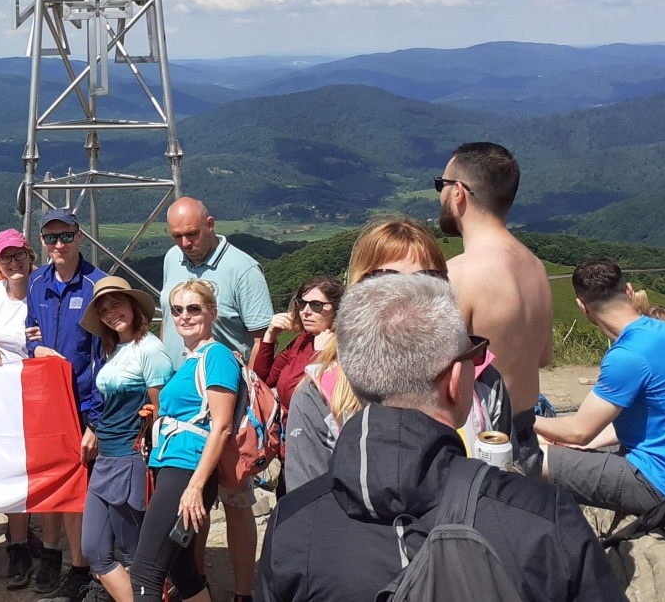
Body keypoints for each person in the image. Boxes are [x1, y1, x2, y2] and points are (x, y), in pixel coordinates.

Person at [257, 274, 625, 602]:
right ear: (454, 381)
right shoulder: (543, 518)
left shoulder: (291, 524)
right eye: (472, 355)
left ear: (353, 377)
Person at [282, 216, 514, 490]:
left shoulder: (482, 381)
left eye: (428, 279)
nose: (409, 297)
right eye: (387, 282)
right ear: (357, 294)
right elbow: (309, 506)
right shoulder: (320, 397)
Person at [157, 198, 270, 601]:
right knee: (194, 502)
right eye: (177, 236)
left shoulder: (243, 268)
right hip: (182, 402)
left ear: (210, 223)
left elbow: (261, 337)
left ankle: (243, 592)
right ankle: (195, 583)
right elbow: (167, 320)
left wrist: (244, 404)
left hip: (225, 403)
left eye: (192, 234)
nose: (185, 243)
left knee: (235, 500)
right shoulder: (172, 259)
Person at [536, 259, 665, 520]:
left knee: (527, 456)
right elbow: (639, 423)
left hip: (659, 483)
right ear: (629, 290)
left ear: (582, 306)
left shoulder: (627, 355)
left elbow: (579, 432)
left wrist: (524, 418)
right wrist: (576, 442)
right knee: (560, 445)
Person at [439, 141, 553, 474]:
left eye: (441, 185)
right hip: (526, 436)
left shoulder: (458, 274)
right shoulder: (536, 267)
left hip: (478, 440)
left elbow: (434, 375)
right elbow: (543, 357)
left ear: (458, 192)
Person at [130, 279, 239, 602]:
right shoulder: (192, 359)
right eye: (177, 310)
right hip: (175, 468)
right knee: (182, 572)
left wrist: (194, 487)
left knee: (145, 573)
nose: (184, 316)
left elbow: (222, 426)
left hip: (187, 472)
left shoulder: (217, 356)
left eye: (194, 309)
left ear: (212, 313)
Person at [24, 209, 106, 601]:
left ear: (79, 237)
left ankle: (82, 567)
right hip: (46, 402)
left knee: (78, 491)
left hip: (83, 404)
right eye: (51, 237)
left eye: (67, 236)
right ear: (42, 241)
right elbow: (30, 333)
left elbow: (105, 357)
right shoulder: (36, 281)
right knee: (50, 482)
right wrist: (35, 349)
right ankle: (55, 555)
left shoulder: (97, 285)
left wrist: (96, 422)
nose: (59, 244)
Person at [79, 276, 171, 602]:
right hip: (107, 456)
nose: (110, 313)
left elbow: (161, 409)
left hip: (131, 458)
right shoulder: (113, 349)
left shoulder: (150, 349)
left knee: (134, 552)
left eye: (116, 304)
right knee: (94, 548)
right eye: (103, 309)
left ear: (133, 305)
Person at [0, 228, 40, 589]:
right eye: (6, 257)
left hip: (38, 393)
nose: (14, 262)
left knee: (34, 466)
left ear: (30, 256)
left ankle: (36, 536)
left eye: (19, 254)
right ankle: (18, 542)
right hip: (2, 394)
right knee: (12, 466)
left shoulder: (44, 291)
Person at [252, 276, 340, 412]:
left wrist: (320, 355)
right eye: (302, 304)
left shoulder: (343, 348)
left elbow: (316, 401)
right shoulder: (302, 341)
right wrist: (269, 336)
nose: (306, 312)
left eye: (316, 305)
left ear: (337, 309)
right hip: (286, 423)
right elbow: (263, 381)